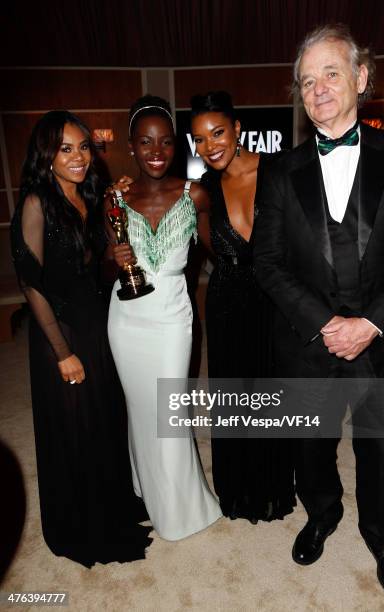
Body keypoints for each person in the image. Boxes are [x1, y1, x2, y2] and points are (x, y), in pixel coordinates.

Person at [254, 24, 384, 601]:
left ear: (362, 78)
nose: (317, 88)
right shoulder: (278, 171)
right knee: (309, 444)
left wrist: (371, 323)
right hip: (307, 339)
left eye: (331, 73)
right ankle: (320, 514)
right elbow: (266, 262)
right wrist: (324, 324)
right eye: (307, 80)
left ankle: (383, 536)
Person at [10, 111, 152, 568]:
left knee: (104, 419)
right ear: (46, 155)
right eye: (65, 148)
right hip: (63, 332)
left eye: (83, 147)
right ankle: (83, 522)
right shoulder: (36, 202)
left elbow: (91, 267)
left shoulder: (89, 195)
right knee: (75, 430)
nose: (78, 157)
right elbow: (32, 285)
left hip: (97, 323)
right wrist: (62, 352)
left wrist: (114, 252)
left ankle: (111, 505)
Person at [106, 95, 221, 541]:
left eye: (166, 142)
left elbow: (219, 247)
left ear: (177, 147)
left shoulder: (194, 194)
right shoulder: (115, 197)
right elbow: (101, 266)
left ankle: (181, 510)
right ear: (131, 146)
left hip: (172, 315)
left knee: (170, 410)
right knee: (141, 409)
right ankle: (146, 487)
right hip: (126, 318)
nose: (156, 151)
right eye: (146, 142)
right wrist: (112, 256)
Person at [190, 91, 296, 523]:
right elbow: (209, 249)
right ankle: (237, 489)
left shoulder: (279, 170)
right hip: (228, 297)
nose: (209, 145)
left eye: (217, 132)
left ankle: (273, 487)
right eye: (198, 139)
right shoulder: (203, 191)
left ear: (237, 129)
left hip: (274, 298)